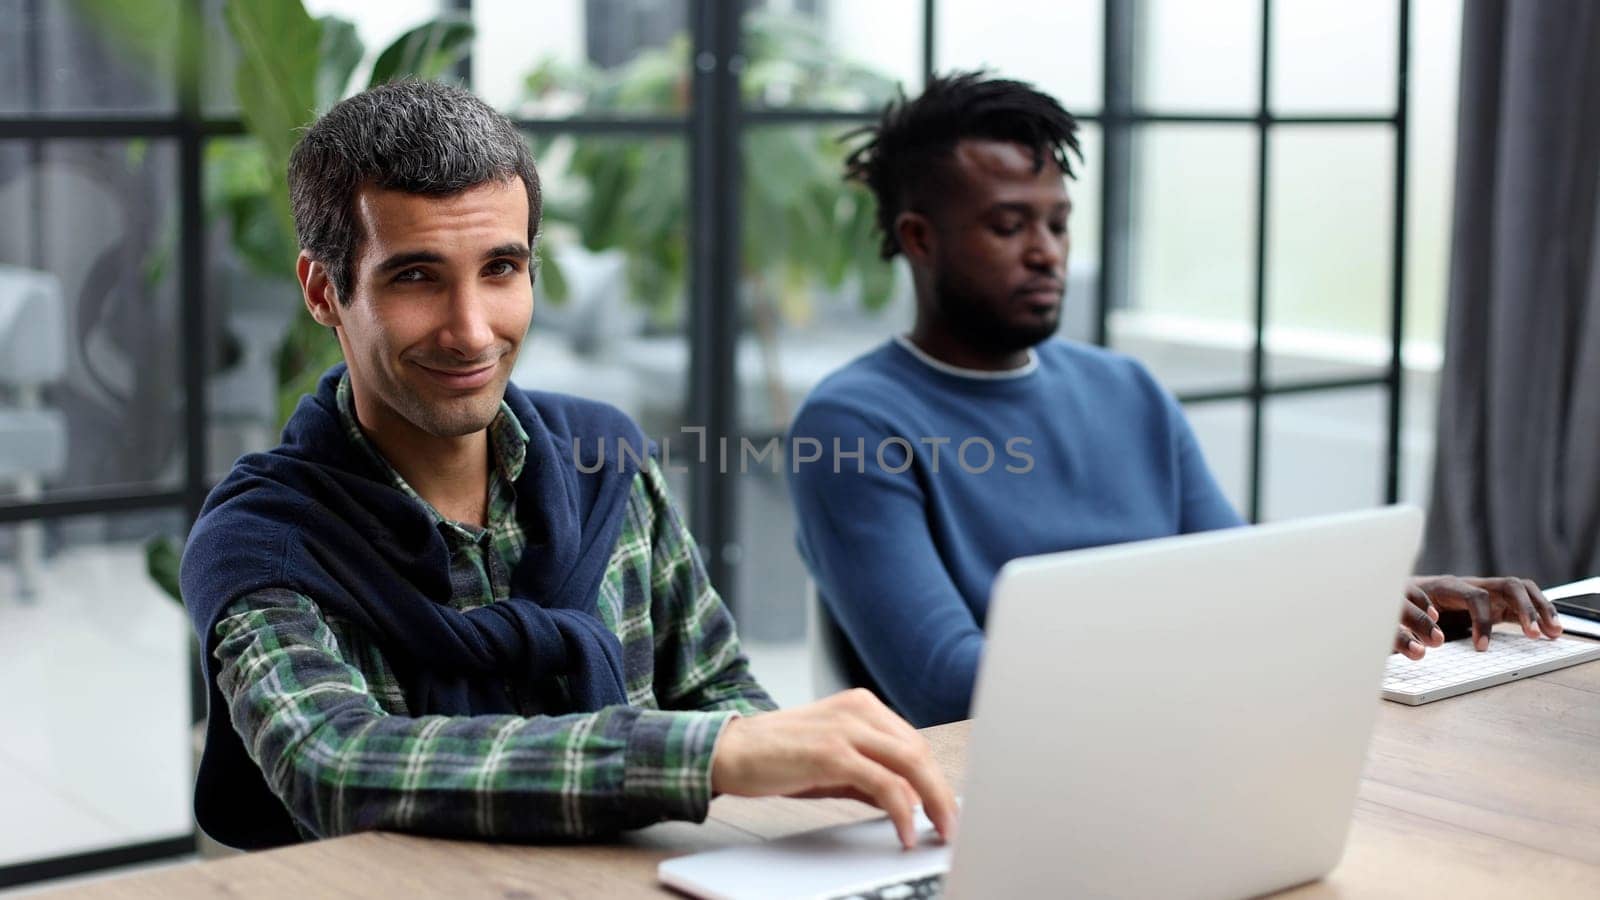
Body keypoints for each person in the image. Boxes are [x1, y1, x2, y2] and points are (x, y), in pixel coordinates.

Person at [181, 80, 955, 851]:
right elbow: (339, 764)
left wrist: (802, 769)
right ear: (324, 290)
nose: (472, 331)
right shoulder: (265, 538)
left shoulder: (603, 459)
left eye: (501, 269)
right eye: (416, 276)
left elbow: (718, 692)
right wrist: (708, 755)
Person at [785, 72, 1562, 728]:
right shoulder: (852, 424)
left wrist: (1370, 602)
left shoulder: (1125, 390)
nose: (1045, 251)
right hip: (989, 787)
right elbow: (950, 686)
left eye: (1058, 223)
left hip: (1180, 740)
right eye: (1008, 225)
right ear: (920, 239)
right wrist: (1224, 633)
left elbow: (1240, 577)